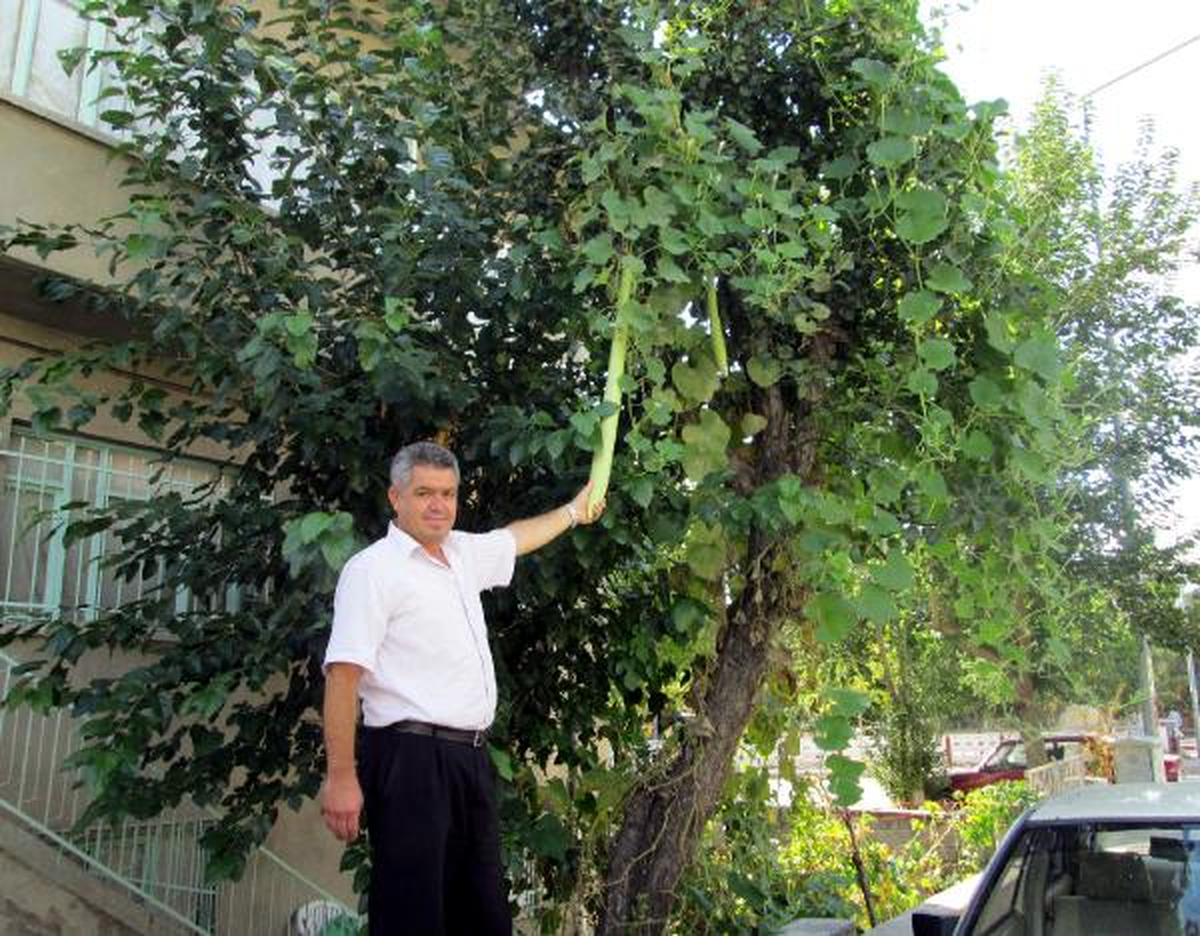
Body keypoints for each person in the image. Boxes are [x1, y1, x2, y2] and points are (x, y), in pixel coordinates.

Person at [319, 441, 604, 934]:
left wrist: (574, 512)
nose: (439, 505)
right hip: (410, 759)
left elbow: (515, 538)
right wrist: (341, 777)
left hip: (468, 759)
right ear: (396, 497)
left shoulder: (462, 553)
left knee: (483, 911)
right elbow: (343, 677)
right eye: (425, 492)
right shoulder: (373, 571)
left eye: (448, 494)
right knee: (413, 914)